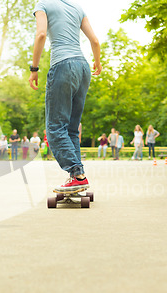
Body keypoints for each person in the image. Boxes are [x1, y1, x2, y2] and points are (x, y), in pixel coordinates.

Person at [29, 0, 101, 191]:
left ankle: (77, 174)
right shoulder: (77, 7)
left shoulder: (42, 5)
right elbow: (94, 41)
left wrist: (34, 69)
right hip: (83, 67)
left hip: (63, 65)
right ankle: (77, 177)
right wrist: (98, 62)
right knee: (71, 130)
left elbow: (41, 34)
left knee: (54, 129)